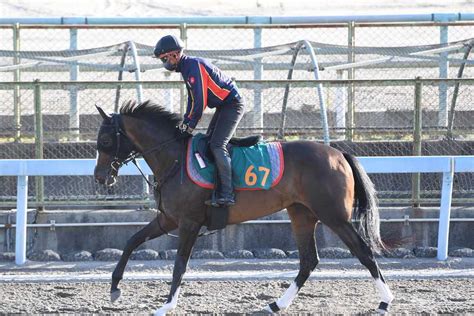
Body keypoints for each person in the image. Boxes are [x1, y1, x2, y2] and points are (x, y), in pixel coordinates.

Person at [154, 35, 245, 207]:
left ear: (174, 55)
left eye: (165, 59)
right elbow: (192, 100)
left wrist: (190, 127)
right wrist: (185, 123)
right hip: (224, 106)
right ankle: (216, 188)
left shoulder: (193, 66)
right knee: (210, 142)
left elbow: (201, 102)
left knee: (217, 145)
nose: (164, 63)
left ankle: (227, 194)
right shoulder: (186, 68)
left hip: (233, 105)